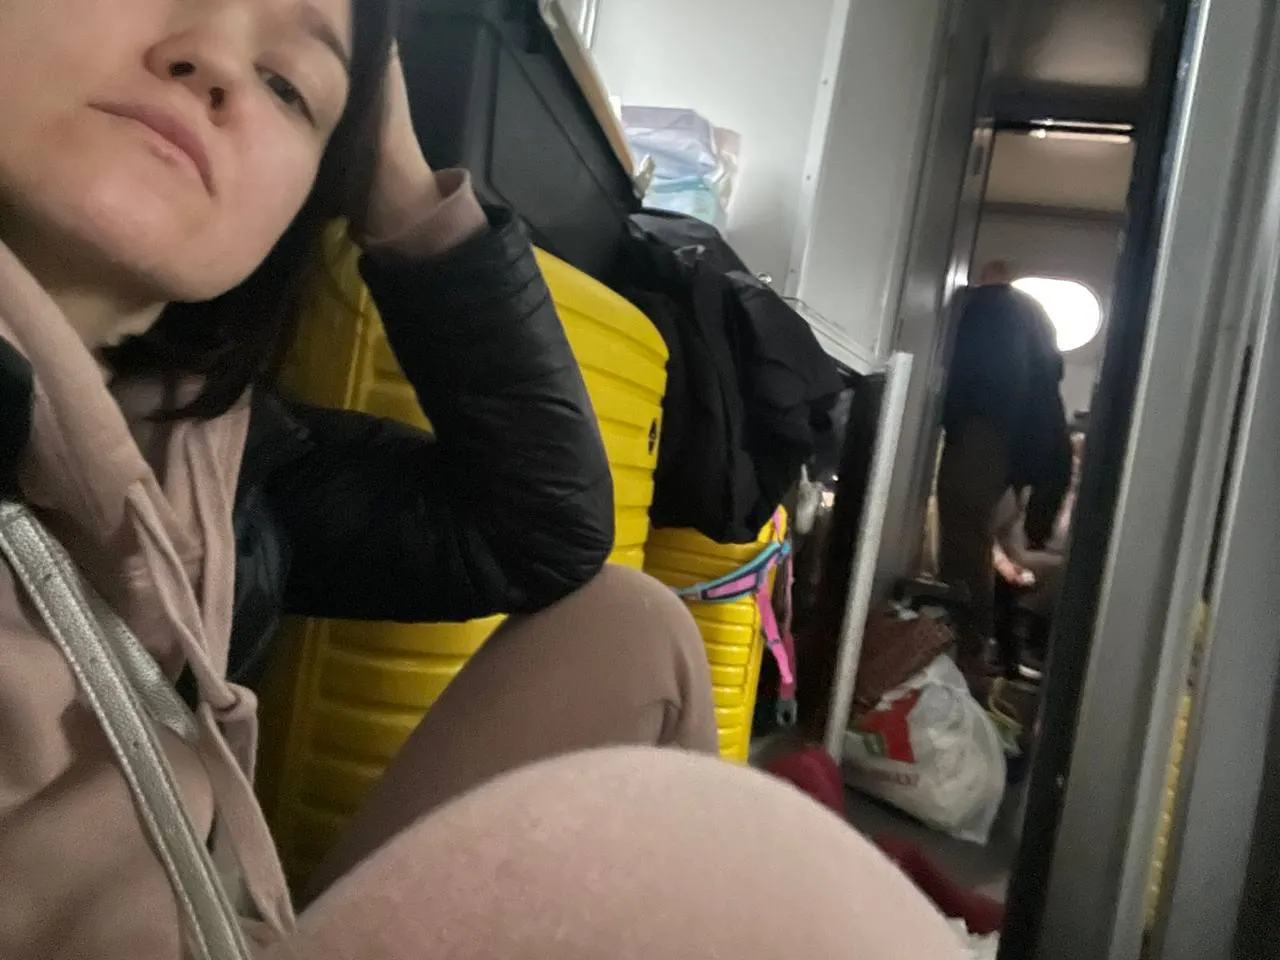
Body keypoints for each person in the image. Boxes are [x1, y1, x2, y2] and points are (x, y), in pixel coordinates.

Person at [0, 1, 964, 958]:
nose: (214, 56)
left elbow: (539, 531)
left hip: (214, 917)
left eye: (290, 86)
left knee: (627, 628)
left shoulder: (213, 457)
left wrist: (401, 182)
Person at [937, 260, 1071, 677]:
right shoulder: (1030, 315)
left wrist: (954, 420)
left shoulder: (988, 309)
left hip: (986, 430)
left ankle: (964, 646)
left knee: (964, 536)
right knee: (981, 538)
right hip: (1020, 448)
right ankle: (974, 643)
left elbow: (983, 380)